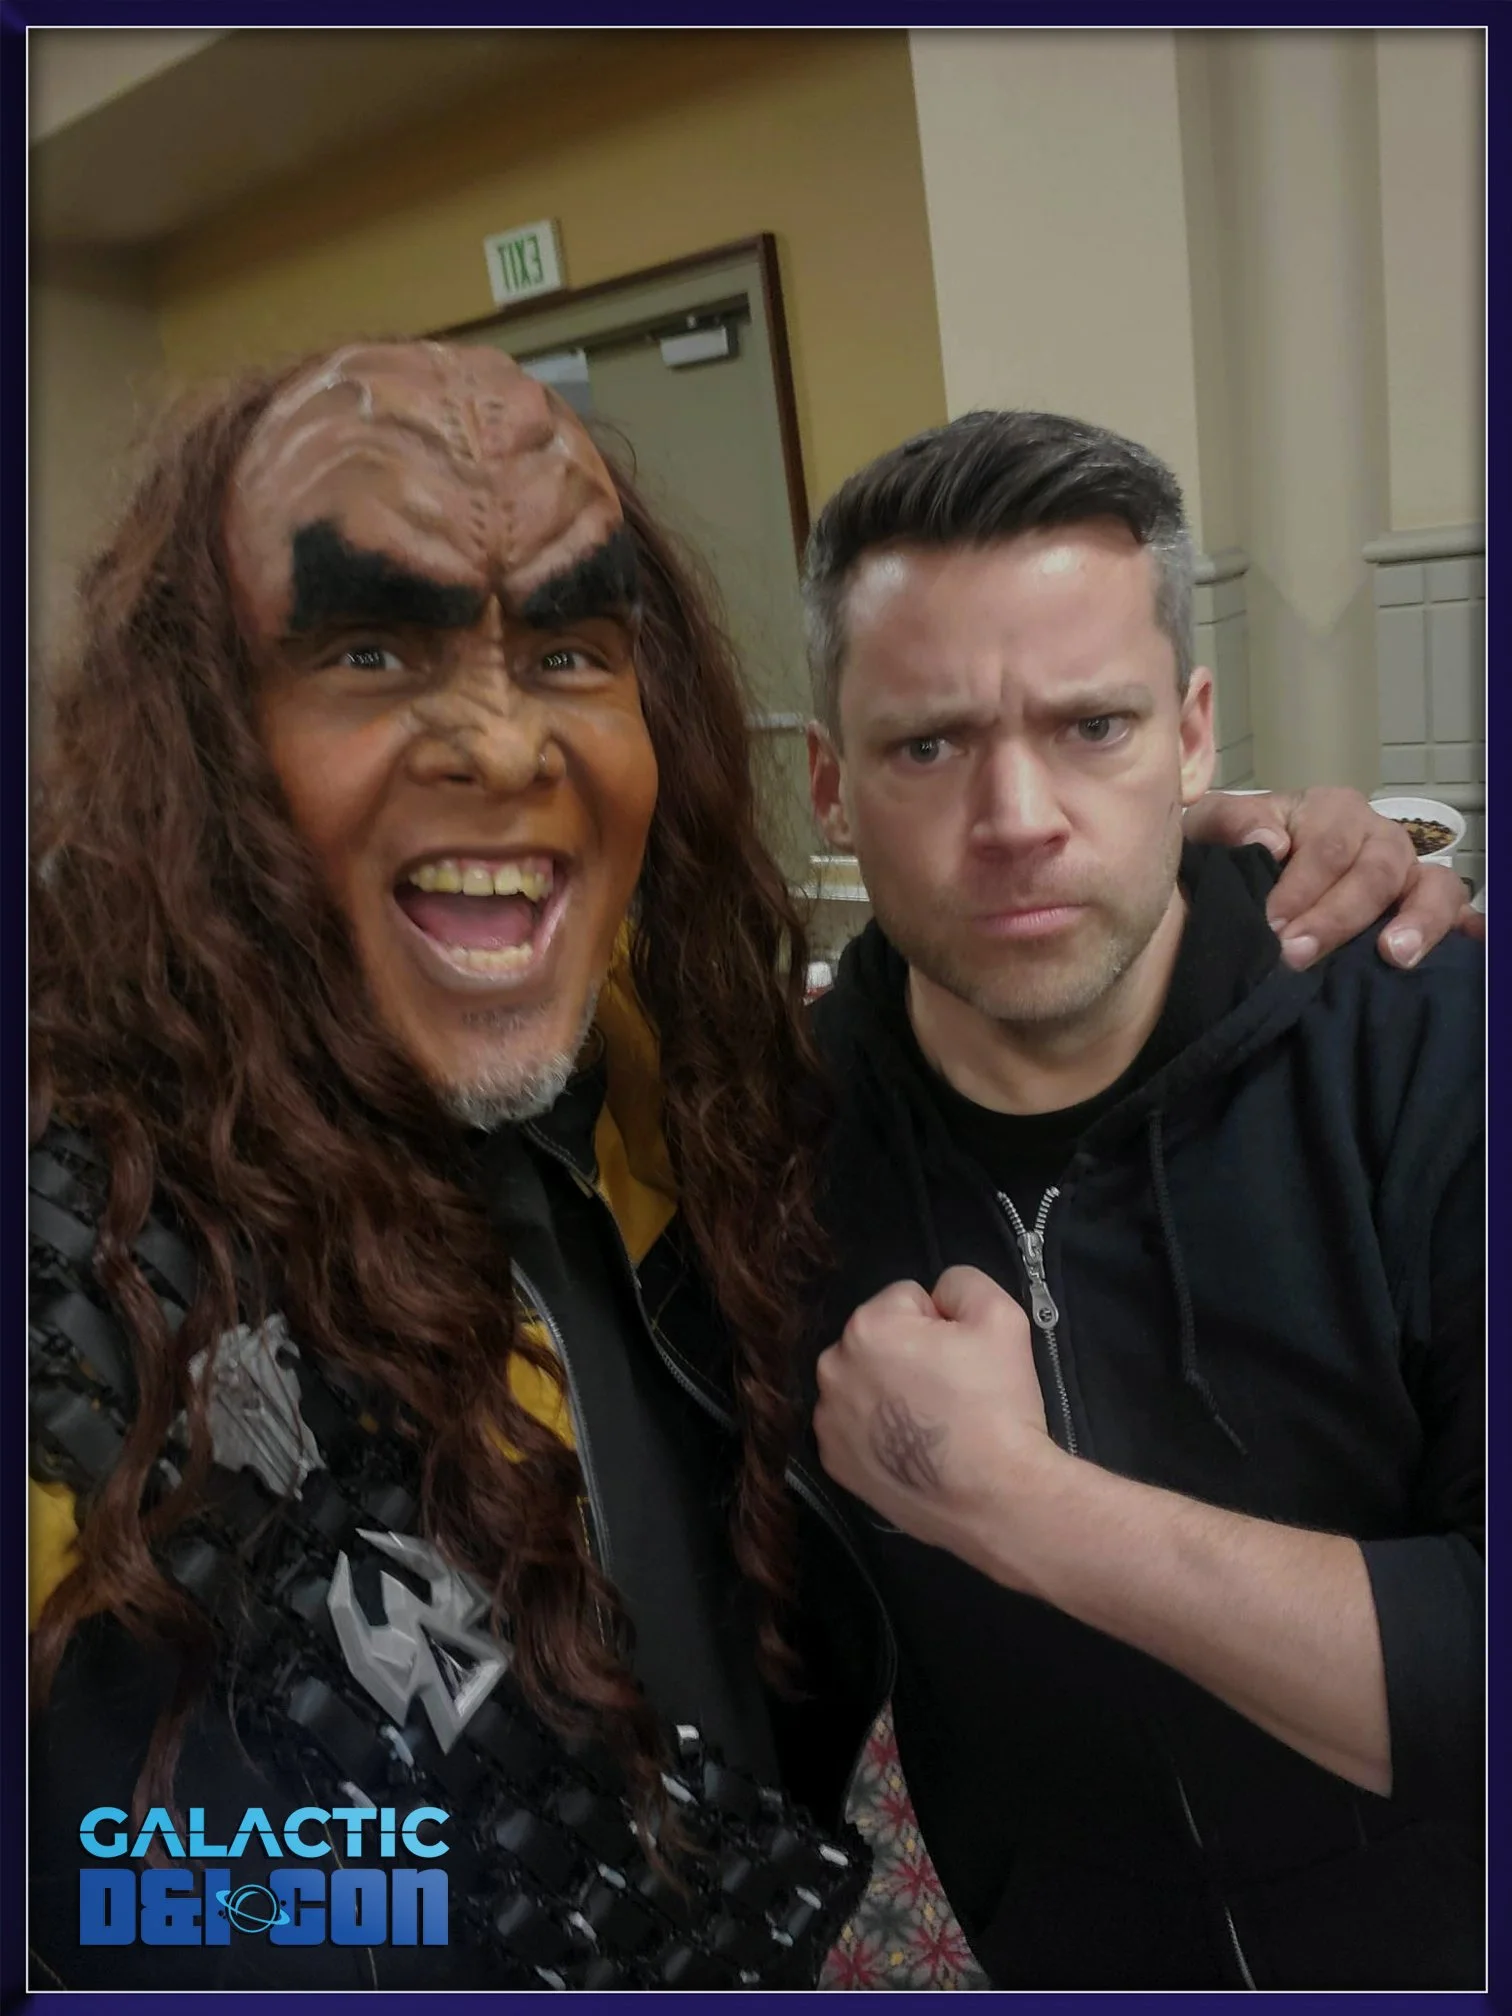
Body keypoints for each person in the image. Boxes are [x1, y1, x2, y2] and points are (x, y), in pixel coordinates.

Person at [27, 343, 1470, 1990]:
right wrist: (453, 1913)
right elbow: (119, 1908)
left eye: (569, 653)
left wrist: (1223, 859)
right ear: (196, 740)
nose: (500, 746)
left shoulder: (694, 1091)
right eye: (369, 652)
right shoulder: (78, 1277)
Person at [801, 410, 1483, 1989]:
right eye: (928, 746)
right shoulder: (776, 1143)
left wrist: (1016, 1503)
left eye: (1092, 726)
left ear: (1192, 736)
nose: (1017, 816)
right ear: (832, 786)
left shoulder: (1436, 1048)